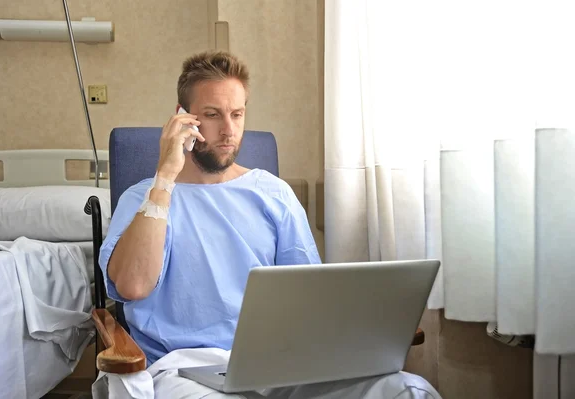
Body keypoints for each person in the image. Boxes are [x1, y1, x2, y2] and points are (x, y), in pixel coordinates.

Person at [93, 50, 441, 399]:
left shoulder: (274, 194)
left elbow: (310, 297)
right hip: (185, 371)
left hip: (280, 366)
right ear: (183, 118)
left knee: (409, 389)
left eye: (237, 114)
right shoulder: (144, 198)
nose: (229, 131)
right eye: (212, 115)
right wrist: (166, 175)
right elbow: (133, 286)